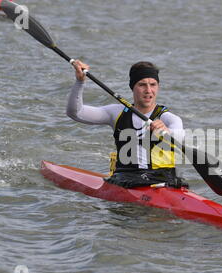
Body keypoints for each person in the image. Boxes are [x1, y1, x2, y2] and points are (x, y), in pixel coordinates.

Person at [66, 60, 187, 188]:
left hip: (163, 182)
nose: (148, 90)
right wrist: (80, 82)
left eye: (153, 84)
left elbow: (179, 135)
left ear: (158, 87)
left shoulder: (169, 119)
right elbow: (76, 113)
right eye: (142, 85)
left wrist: (167, 132)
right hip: (125, 180)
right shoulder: (116, 113)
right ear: (132, 87)